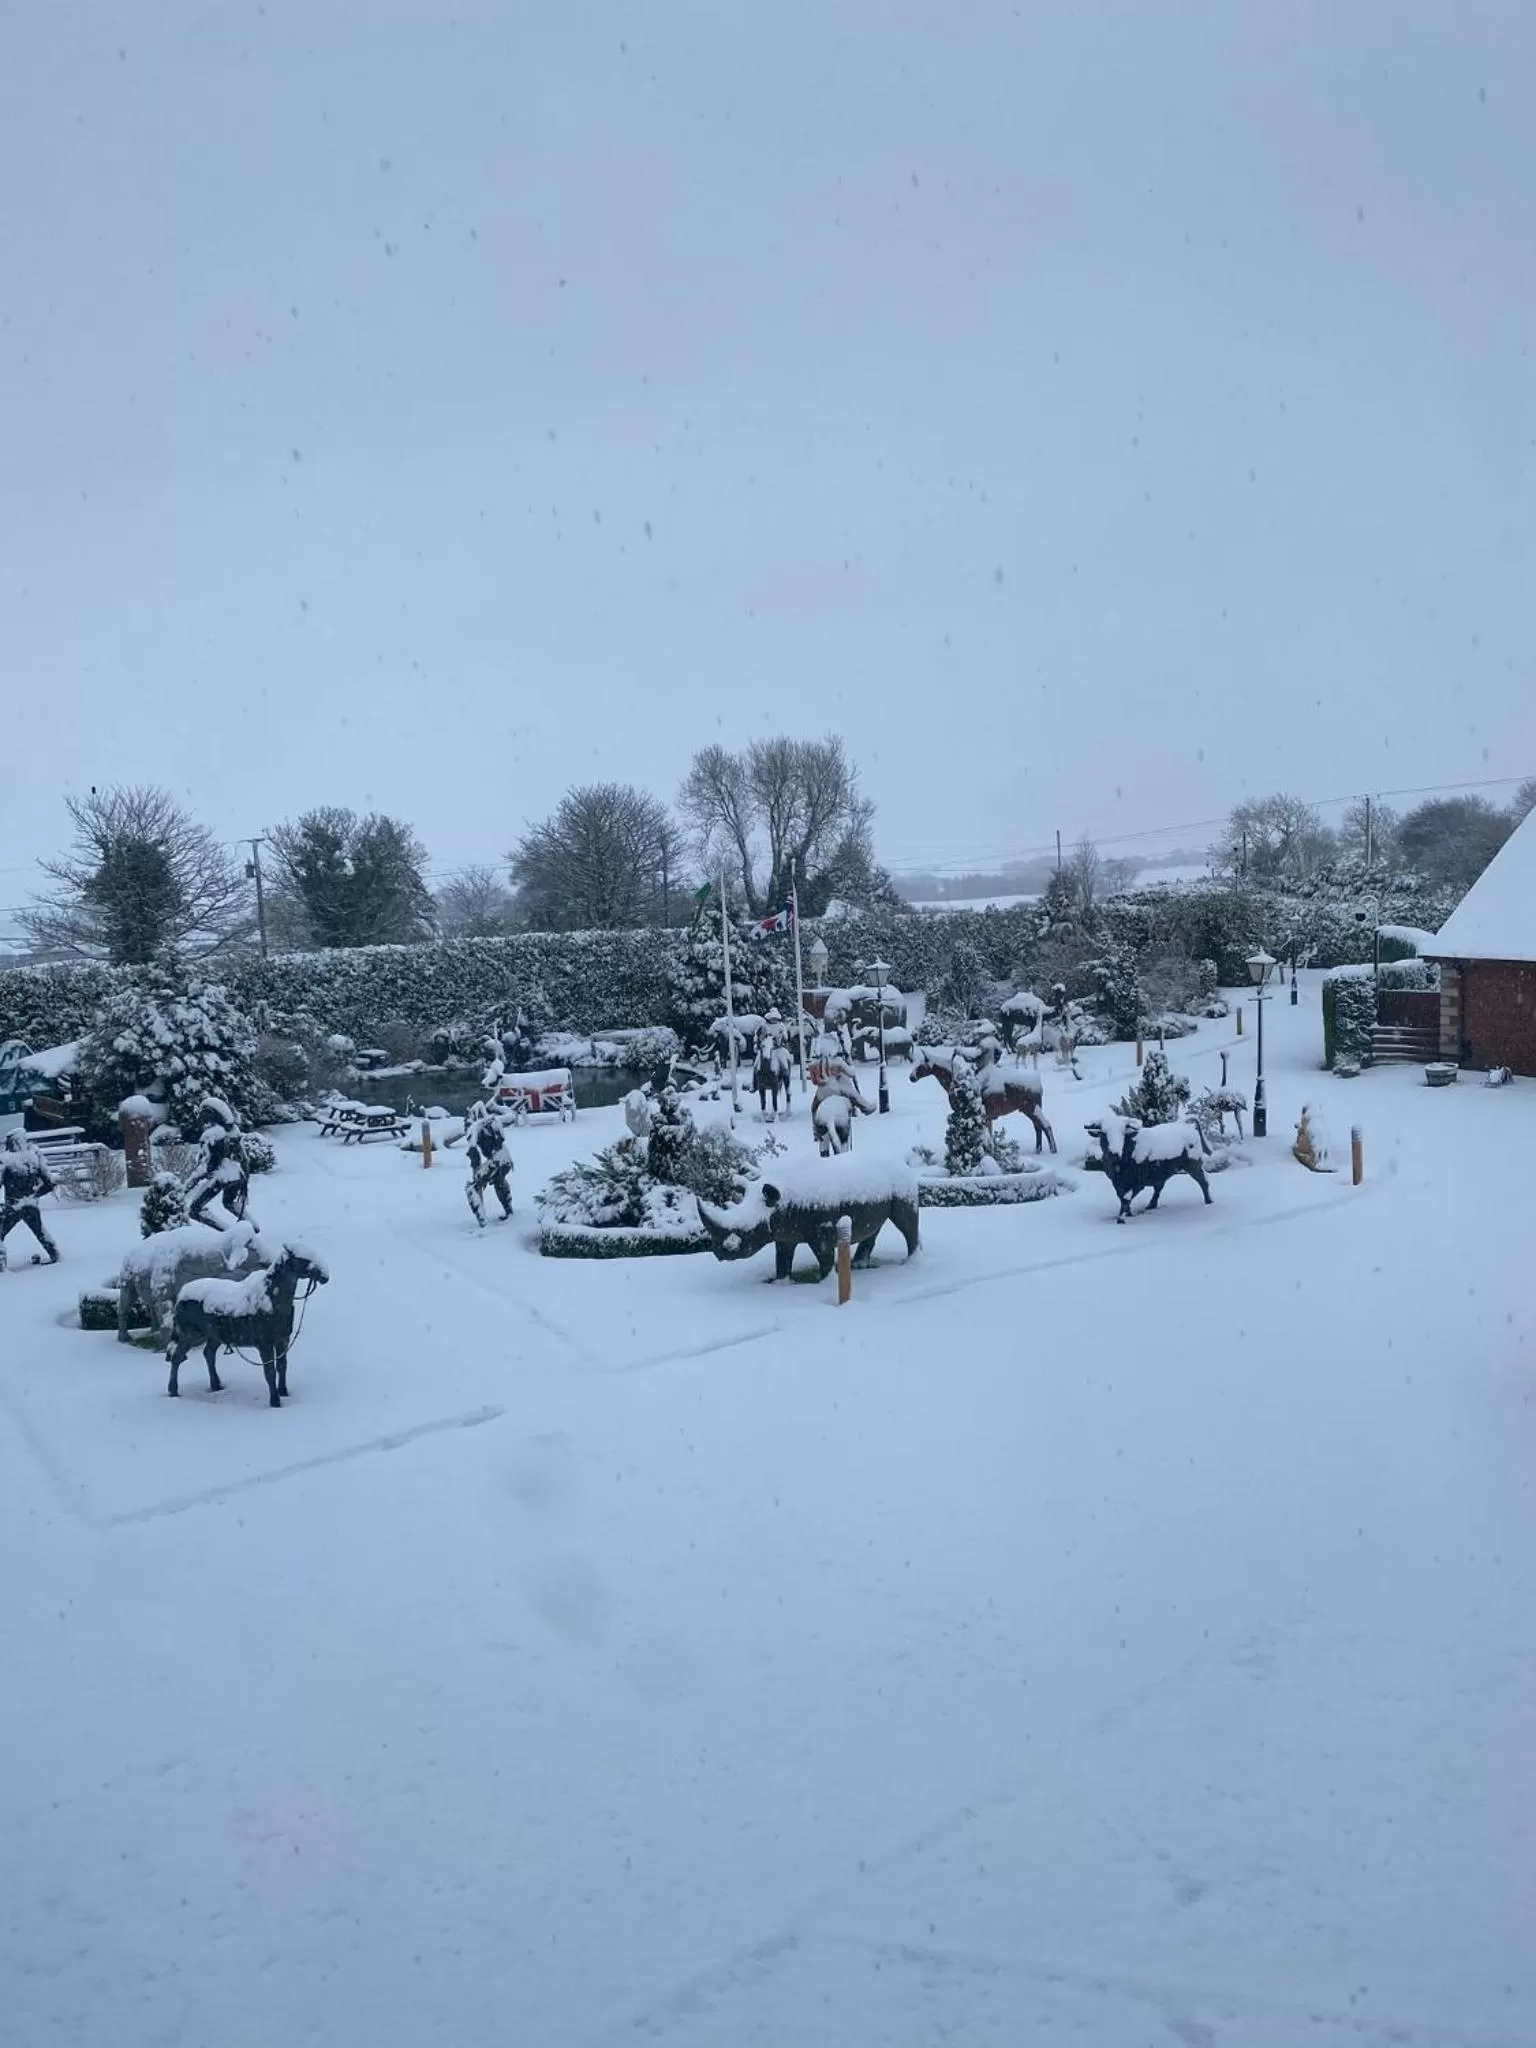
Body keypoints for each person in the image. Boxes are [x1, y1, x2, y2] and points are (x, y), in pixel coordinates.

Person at [0, 1129, 61, 1270]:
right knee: (40, 1232)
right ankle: (55, 1255)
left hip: (13, 1206)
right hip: (31, 1204)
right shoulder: (34, 1156)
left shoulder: (6, 1160)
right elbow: (50, 1182)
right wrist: (35, 1194)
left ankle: (1, 1267)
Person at [186, 1096, 250, 1226]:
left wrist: (187, 1185)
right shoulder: (233, 1132)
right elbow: (245, 1159)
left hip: (222, 1176)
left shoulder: (212, 1136)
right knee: (229, 1202)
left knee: (194, 1210)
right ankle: (252, 1226)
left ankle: (228, 1235)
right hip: (237, 1175)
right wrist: (245, 1177)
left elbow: (208, 1166)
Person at [465, 1107, 514, 1226]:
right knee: (499, 1182)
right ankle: (509, 1211)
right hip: (506, 1158)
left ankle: (483, 1222)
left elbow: (473, 1152)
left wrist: (478, 1173)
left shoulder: (474, 1128)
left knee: (472, 1188)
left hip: (496, 1160)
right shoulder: (492, 1121)